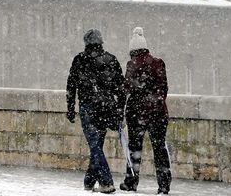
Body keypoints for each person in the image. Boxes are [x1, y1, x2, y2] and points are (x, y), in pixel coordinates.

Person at [66, 28, 125, 194]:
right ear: (101, 42)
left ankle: (106, 182)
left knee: (95, 146)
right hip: (106, 108)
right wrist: (120, 110)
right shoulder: (111, 59)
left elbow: (71, 86)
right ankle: (89, 181)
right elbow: (120, 89)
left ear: (86, 43)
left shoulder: (80, 59)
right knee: (96, 145)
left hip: (88, 108)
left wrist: (70, 107)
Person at [120, 27, 171, 194]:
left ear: (132, 50)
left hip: (137, 114)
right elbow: (164, 88)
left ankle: (131, 181)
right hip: (158, 113)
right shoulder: (158, 63)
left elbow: (126, 89)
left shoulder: (132, 65)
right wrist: (155, 103)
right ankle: (164, 184)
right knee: (160, 149)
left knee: (135, 149)